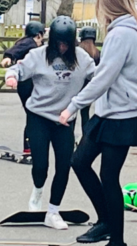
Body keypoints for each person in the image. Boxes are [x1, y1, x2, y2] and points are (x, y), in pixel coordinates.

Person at [59, 0, 137, 246]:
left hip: (123, 115)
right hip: (110, 112)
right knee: (79, 161)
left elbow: (105, 76)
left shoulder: (121, 33)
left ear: (107, 3)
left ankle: (117, 244)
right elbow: (106, 72)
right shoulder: (124, 30)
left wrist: (73, 106)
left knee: (109, 177)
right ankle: (105, 221)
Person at [5, 16, 95, 230]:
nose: (62, 48)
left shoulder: (82, 59)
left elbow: (100, 78)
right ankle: (37, 191)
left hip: (65, 120)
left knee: (64, 166)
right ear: (52, 40)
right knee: (41, 166)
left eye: (66, 43)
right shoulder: (38, 56)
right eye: (58, 43)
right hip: (39, 117)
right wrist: (11, 77)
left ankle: (53, 212)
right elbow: (18, 68)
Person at [0, 21, 45, 154]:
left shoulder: (26, 42)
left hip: (25, 84)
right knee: (33, 115)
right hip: (27, 84)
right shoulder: (30, 43)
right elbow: (14, 51)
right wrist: (8, 57)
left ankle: (30, 145)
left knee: (33, 115)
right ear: (38, 35)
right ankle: (29, 146)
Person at [77, 26, 100, 132]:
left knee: (71, 115)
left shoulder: (77, 51)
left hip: (75, 86)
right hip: (88, 87)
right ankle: (85, 138)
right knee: (85, 114)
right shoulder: (97, 53)